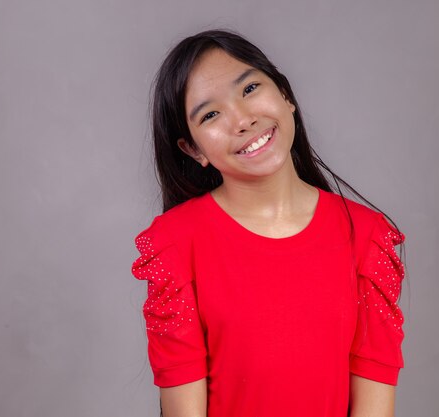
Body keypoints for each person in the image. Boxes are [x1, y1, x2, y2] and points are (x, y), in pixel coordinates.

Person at [131, 29, 407, 417]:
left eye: (249, 89)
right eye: (211, 114)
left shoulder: (368, 238)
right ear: (193, 149)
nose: (243, 120)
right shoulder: (174, 246)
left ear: (286, 96)